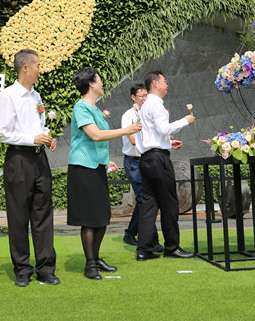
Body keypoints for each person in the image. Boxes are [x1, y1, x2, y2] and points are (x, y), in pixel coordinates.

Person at [0, 49, 59, 287]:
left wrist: (47, 138)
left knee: (43, 214)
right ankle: (22, 269)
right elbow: (1, 132)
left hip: (40, 159)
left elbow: (40, 125)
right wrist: (32, 139)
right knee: (19, 215)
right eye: (38, 65)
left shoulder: (36, 96)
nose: (41, 70)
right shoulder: (7, 96)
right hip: (19, 159)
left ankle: (45, 268)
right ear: (25, 68)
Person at [68, 68, 141, 280]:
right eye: (99, 80)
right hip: (83, 168)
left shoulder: (94, 108)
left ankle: (96, 258)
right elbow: (95, 135)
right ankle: (90, 263)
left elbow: (93, 140)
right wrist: (126, 130)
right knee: (90, 218)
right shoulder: (81, 107)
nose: (102, 84)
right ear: (91, 83)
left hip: (96, 166)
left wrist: (105, 161)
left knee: (101, 217)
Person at [135, 70, 195, 261]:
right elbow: (163, 128)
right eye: (164, 81)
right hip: (158, 159)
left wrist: (168, 143)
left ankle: (143, 249)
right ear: (155, 83)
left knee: (148, 205)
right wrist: (184, 121)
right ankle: (172, 247)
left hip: (146, 158)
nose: (167, 85)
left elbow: (152, 134)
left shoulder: (144, 106)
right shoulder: (156, 105)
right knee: (169, 203)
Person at [120, 83, 160, 251]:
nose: (144, 98)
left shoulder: (149, 113)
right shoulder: (128, 115)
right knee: (146, 199)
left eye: (146, 95)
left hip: (147, 160)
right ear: (133, 97)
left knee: (146, 200)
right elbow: (133, 140)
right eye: (141, 96)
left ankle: (130, 233)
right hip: (133, 162)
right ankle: (153, 241)